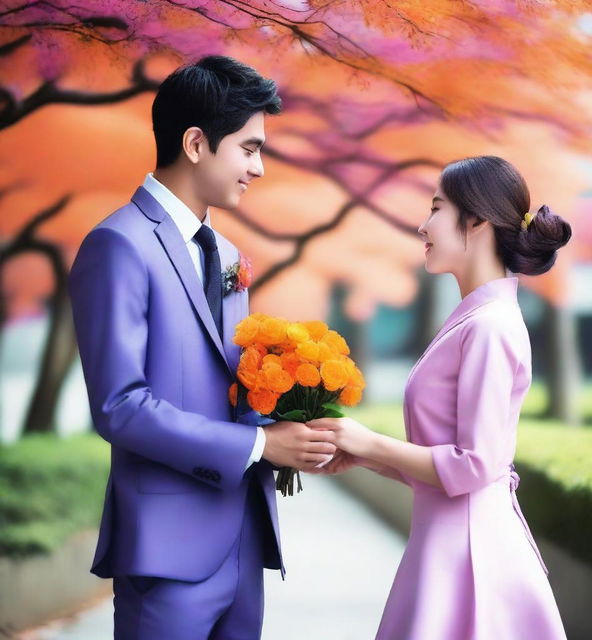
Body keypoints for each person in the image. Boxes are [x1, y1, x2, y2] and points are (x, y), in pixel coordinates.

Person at [69, 55, 336, 640]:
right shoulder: (117, 245)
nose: (259, 168)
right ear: (195, 143)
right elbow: (120, 406)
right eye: (249, 149)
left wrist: (302, 416)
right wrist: (262, 442)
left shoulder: (232, 257)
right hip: (167, 550)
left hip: (244, 541)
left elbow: (228, 385)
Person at [309, 156, 570, 639]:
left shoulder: (489, 326)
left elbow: (474, 466)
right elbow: (447, 467)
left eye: (436, 209)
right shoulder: (475, 319)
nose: (422, 225)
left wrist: (367, 442)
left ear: (476, 221)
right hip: (449, 544)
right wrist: (363, 456)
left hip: (468, 556)